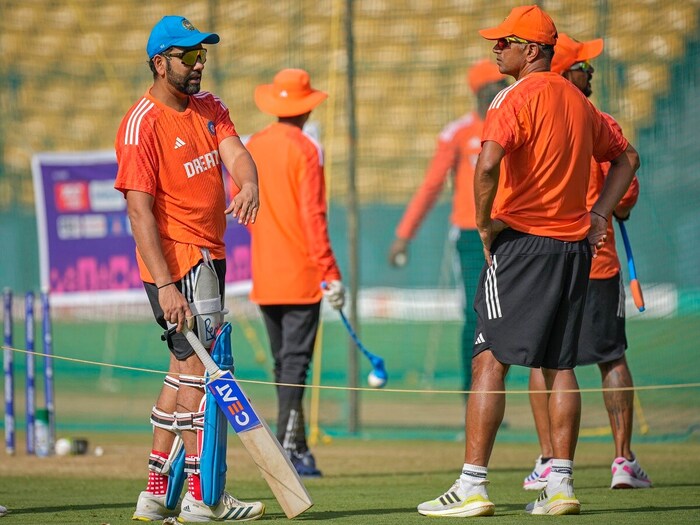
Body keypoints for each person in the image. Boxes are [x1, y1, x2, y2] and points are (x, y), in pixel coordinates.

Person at [417, 5, 639, 518]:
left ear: (532, 50)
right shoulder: (580, 102)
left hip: (521, 246)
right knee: (560, 364)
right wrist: (599, 214)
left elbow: (488, 164)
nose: (496, 49)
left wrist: (484, 222)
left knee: (488, 358)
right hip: (573, 249)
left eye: (505, 41)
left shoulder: (512, 96)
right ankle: (560, 484)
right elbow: (628, 158)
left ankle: (472, 484)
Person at [114, 15, 264, 522]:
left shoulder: (209, 107)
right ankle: (204, 497)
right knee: (202, 373)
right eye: (189, 56)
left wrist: (249, 183)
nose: (199, 64)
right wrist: (165, 285)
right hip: (179, 263)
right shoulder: (142, 124)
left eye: (202, 55)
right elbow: (138, 213)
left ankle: (156, 494)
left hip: (207, 256)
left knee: (182, 371)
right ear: (160, 63)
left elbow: (237, 154)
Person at [522, 33, 650, 492]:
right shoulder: (596, 119)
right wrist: (613, 209)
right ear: (563, 71)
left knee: (543, 362)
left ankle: (547, 460)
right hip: (596, 261)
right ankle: (623, 460)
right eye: (583, 67)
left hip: (542, 260)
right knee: (610, 358)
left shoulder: (532, 117)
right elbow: (626, 186)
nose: (589, 73)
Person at [246, 68, 345, 478]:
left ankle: (298, 446)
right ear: (306, 108)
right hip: (301, 274)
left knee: (283, 364)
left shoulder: (253, 144)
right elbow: (313, 216)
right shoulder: (307, 149)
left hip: (265, 271)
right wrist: (330, 271)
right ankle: (287, 447)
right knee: (294, 365)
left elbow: (242, 203)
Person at [388, 60, 507, 394]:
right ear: (482, 91)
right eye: (497, 85)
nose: (503, 90)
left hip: (512, 232)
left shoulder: (516, 126)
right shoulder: (458, 133)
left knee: (511, 319)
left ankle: (496, 394)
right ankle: (473, 396)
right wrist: (404, 235)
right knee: (476, 316)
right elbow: (431, 186)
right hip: (471, 237)